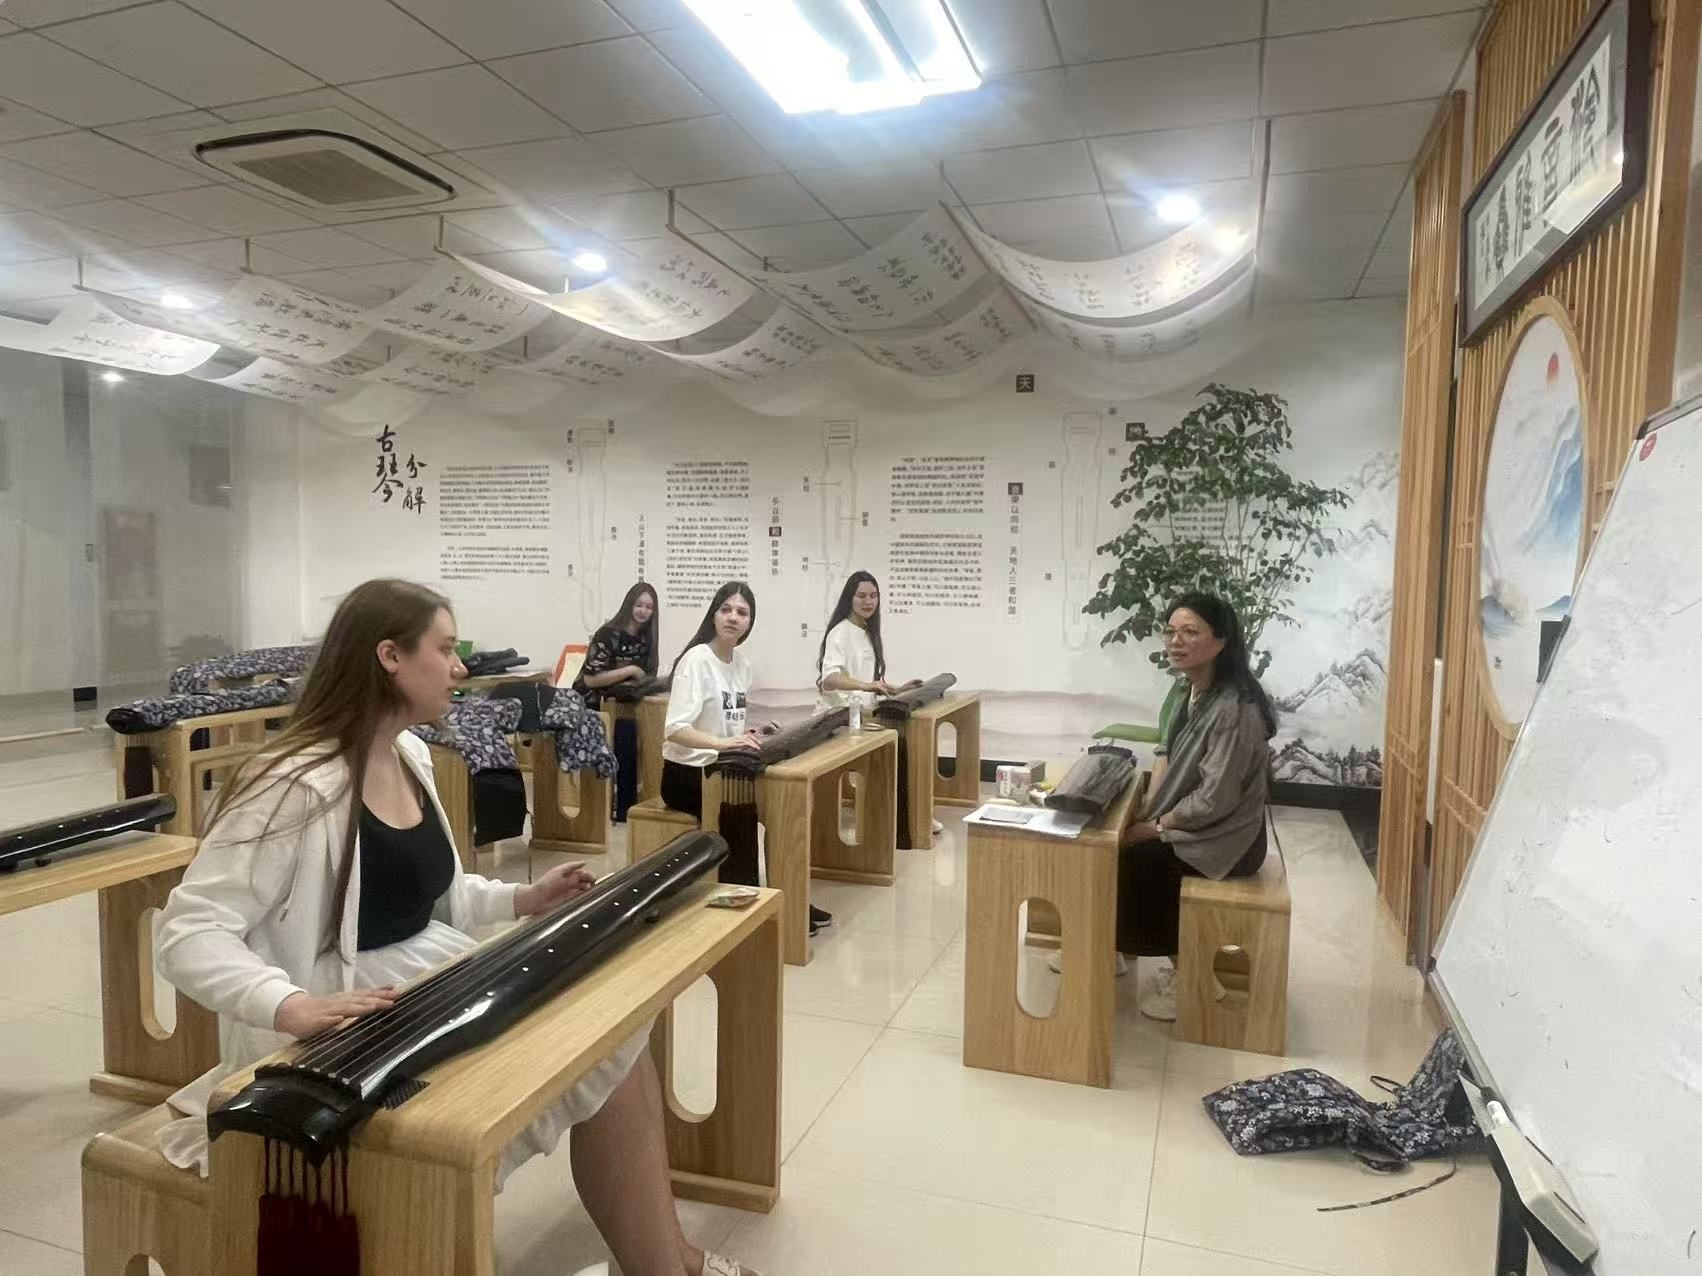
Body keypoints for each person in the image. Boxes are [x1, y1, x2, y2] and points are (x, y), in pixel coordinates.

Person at [155, 578, 756, 1276]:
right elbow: (188, 930)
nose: (461, 667)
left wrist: (522, 899)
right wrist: (285, 1003)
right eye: (445, 649)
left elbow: (431, 892)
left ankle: (667, 1260)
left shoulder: (409, 755)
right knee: (599, 1054)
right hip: (342, 1024)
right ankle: (665, 1264)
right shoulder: (291, 783)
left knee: (614, 1038)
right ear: (389, 657)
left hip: (429, 979)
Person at [1119, 592, 1276, 1021]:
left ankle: (1193, 977)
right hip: (1204, 823)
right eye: (1171, 631)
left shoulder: (1233, 708)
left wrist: (1155, 827)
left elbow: (1214, 800)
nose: (1176, 641)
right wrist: (1147, 810)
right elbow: (1168, 756)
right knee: (1112, 844)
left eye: (1190, 632)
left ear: (1221, 640)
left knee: (1145, 863)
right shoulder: (1191, 689)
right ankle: (1111, 946)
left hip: (1231, 840)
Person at [661, 581, 833, 935]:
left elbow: (728, 723)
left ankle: (785, 898)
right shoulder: (696, 660)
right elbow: (675, 729)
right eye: (726, 609)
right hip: (688, 772)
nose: (733, 617)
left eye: (742, 612)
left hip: (723, 767)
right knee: (744, 806)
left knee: (783, 803)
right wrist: (723, 745)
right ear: (713, 615)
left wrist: (752, 733)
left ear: (749, 622)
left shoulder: (742, 664)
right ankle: (744, 904)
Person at [815, 570, 941, 837]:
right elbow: (829, 679)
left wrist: (896, 690)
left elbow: (868, 682)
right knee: (898, 749)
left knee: (908, 745)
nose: (868, 601)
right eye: (861, 596)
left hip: (862, 715)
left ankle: (912, 818)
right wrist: (866, 685)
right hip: (839, 719)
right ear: (850, 598)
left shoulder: (867, 631)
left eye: (873, 596)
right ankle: (908, 819)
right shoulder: (840, 633)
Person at [573, 581, 659, 821]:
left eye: (649, 607)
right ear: (629, 604)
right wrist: (630, 670)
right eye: (639, 604)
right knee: (616, 741)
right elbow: (590, 679)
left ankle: (625, 809)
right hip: (593, 703)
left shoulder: (647, 637)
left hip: (624, 703)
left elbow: (647, 675)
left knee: (630, 740)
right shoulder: (607, 633)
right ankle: (599, 811)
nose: (643, 611)